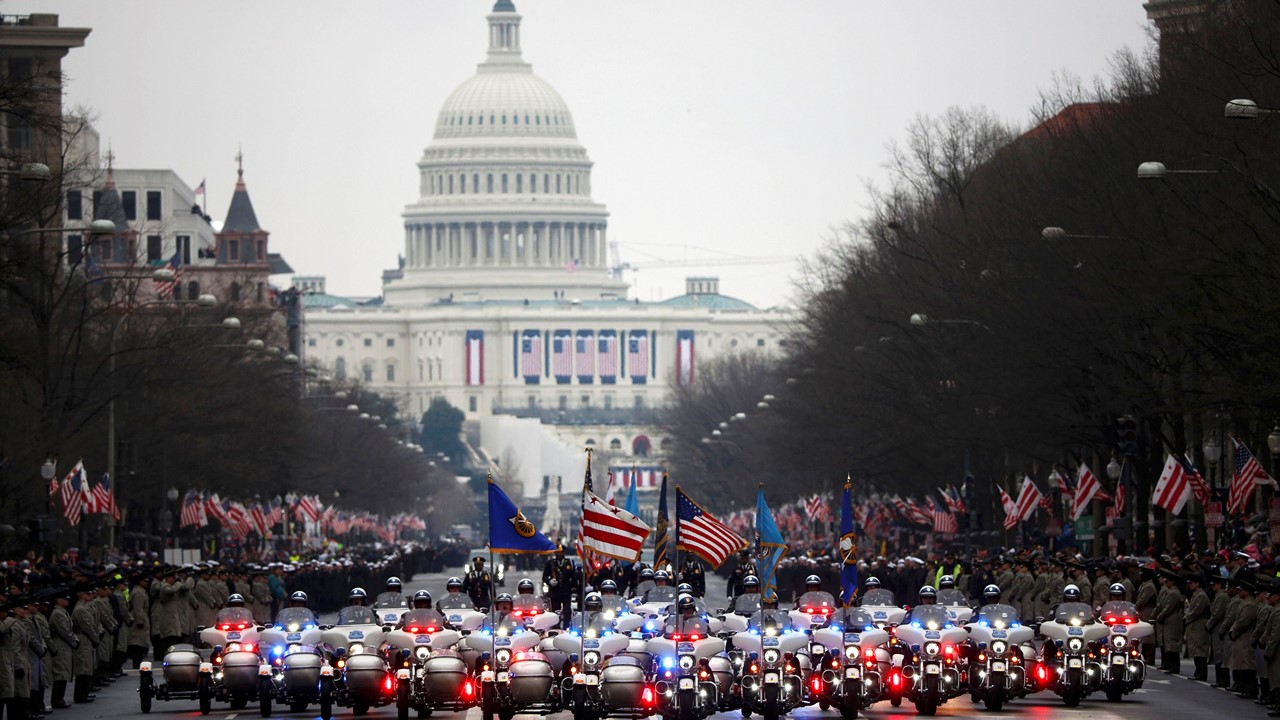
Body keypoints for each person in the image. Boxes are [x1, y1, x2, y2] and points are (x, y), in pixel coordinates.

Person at [1154, 568, 1186, 674]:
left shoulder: (1173, 593)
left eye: (1167, 581)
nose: (1165, 582)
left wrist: (1159, 617)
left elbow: (1168, 608)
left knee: (1172, 644)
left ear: (1172, 582)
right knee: (1168, 644)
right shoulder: (1170, 592)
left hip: (1172, 621)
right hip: (1169, 621)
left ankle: (1174, 666)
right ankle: (1171, 665)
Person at [48, 590, 75, 710]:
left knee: (64, 672)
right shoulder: (58, 614)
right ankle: (57, 699)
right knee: (60, 672)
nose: (67, 601)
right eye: (65, 599)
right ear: (58, 600)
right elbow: (64, 632)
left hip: (65, 645)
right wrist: (74, 642)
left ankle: (60, 698)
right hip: (60, 645)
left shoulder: (63, 612)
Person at [1184, 574, 1210, 682]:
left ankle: (1201, 672)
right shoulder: (1196, 594)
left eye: (1192, 583)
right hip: (1194, 624)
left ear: (1197, 583)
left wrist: (1186, 618)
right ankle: (1198, 671)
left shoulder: (1201, 595)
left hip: (1199, 624)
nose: (1190, 585)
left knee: (1200, 649)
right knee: (1196, 648)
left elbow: (1196, 611)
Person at [541, 547, 574, 617]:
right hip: (555, 591)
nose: (559, 554)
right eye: (558, 552)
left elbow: (573, 575)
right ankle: (556, 626)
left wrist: (573, 587)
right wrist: (550, 581)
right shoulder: (551, 563)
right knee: (555, 612)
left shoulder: (569, 562)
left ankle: (567, 625)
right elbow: (544, 577)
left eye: (561, 552)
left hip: (566, 591)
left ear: (564, 552)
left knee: (567, 611)